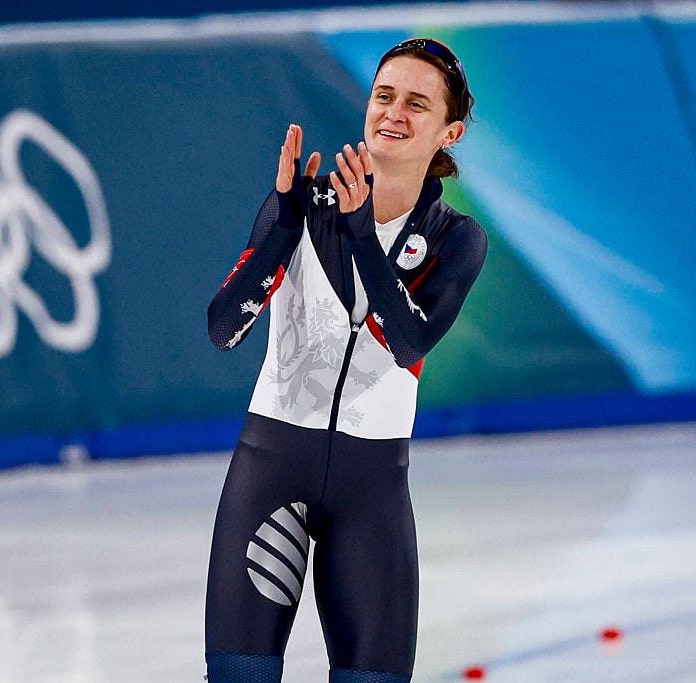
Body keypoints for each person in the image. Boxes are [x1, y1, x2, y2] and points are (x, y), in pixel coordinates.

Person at [204, 38, 487, 683]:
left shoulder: (457, 239)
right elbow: (223, 329)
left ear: (449, 132)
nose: (394, 113)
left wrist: (361, 234)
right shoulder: (303, 204)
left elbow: (409, 342)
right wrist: (282, 225)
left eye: (417, 103)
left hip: (371, 490)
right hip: (270, 472)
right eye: (384, 95)